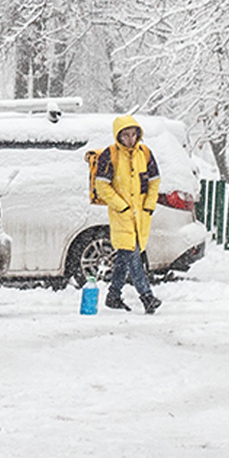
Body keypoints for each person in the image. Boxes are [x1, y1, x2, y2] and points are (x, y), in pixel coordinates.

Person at [92, 115, 163, 314]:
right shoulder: (110, 155)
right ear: (119, 136)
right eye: (126, 135)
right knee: (133, 256)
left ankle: (113, 295)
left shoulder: (145, 153)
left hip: (141, 214)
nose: (131, 139)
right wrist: (121, 206)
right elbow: (102, 185)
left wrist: (149, 206)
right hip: (122, 215)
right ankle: (147, 297)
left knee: (125, 254)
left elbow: (154, 181)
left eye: (133, 135)